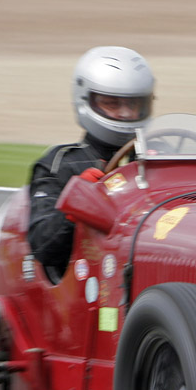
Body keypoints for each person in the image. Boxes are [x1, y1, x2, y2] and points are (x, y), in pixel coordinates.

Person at [27, 46, 155, 275]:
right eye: (112, 104)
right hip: (90, 280)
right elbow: (44, 247)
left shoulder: (160, 158)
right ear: (86, 100)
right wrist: (77, 201)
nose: (126, 114)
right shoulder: (59, 164)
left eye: (133, 105)